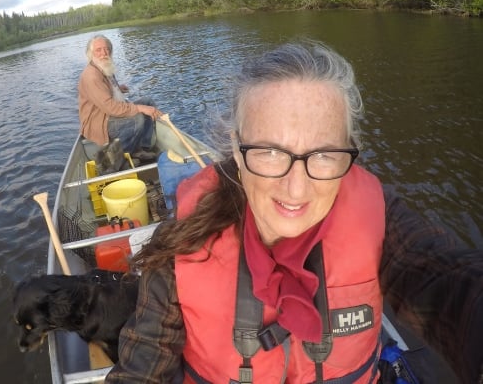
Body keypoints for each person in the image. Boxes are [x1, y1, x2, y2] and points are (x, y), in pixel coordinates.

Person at [105, 41, 483, 383]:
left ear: (348, 152)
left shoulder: (381, 222)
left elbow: (449, 284)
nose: (297, 190)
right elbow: (142, 364)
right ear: (237, 151)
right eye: (269, 152)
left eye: (323, 155)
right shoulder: (182, 242)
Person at [78, 35, 163, 161]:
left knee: (148, 102)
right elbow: (111, 108)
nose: (104, 53)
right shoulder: (91, 76)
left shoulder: (102, 66)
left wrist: (117, 88)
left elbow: (105, 89)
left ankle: (142, 147)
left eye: (107, 49)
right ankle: (122, 156)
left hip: (108, 113)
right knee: (138, 118)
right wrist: (139, 108)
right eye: (98, 50)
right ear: (90, 54)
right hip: (99, 121)